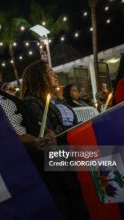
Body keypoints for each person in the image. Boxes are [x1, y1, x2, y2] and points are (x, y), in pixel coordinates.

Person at [21, 60, 89, 219]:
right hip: (58, 156)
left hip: (74, 149)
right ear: (39, 78)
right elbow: (48, 132)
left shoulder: (58, 100)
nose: (55, 75)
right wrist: (77, 129)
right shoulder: (32, 102)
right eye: (50, 73)